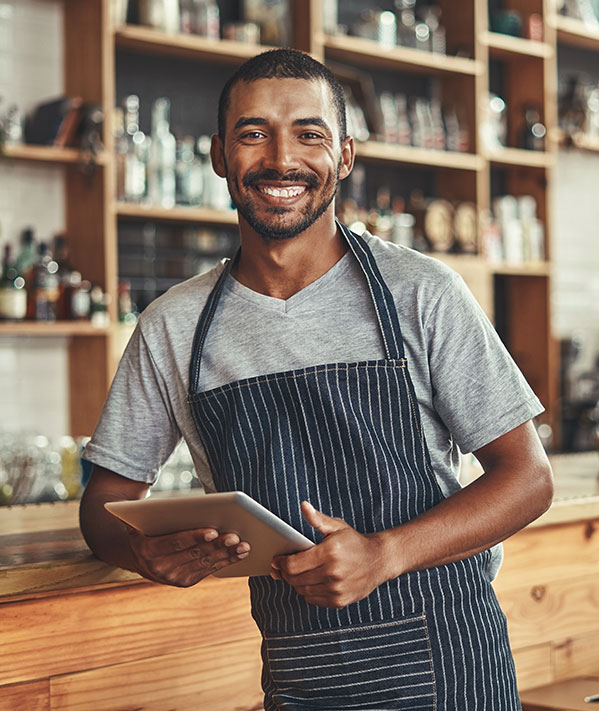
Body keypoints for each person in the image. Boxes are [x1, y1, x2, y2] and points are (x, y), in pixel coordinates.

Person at [80, 48, 554, 710]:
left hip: (449, 663)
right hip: (297, 674)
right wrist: (140, 549)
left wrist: (383, 554)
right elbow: (103, 503)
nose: (281, 158)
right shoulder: (173, 326)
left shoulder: (422, 293)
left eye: (309, 133)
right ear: (219, 155)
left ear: (346, 155)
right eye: (254, 133)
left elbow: (528, 478)